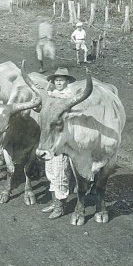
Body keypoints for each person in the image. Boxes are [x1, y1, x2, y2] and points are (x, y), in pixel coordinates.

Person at [42, 67, 76, 219]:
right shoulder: (52, 95)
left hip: (61, 139)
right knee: (50, 169)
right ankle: (54, 202)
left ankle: (60, 206)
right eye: (56, 80)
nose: (59, 83)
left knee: (60, 171)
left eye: (61, 80)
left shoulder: (70, 96)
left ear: (67, 81)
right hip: (49, 138)